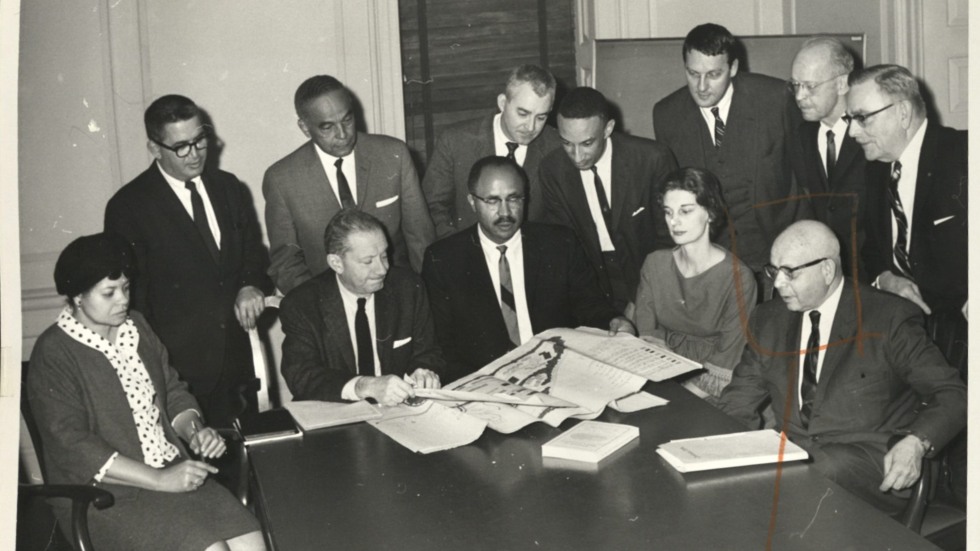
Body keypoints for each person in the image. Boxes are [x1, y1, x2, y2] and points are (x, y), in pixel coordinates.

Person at [27, 233, 265, 551]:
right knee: (211, 549)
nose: (123, 300)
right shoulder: (54, 352)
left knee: (251, 541)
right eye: (108, 293)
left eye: (125, 288)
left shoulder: (136, 327)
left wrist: (194, 430)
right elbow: (72, 446)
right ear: (77, 297)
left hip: (170, 472)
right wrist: (159, 481)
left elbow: (172, 390)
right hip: (102, 496)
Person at [718, 220, 966, 517]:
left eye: (790, 273)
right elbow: (737, 402)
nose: (778, 284)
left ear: (827, 270)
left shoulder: (887, 318)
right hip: (796, 459)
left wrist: (916, 442)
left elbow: (953, 394)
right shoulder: (769, 319)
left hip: (872, 463)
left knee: (806, 476)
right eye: (774, 271)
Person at [105, 94, 271, 428]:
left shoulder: (229, 188)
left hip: (239, 361)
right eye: (181, 147)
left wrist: (250, 284)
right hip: (180, 373)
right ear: (154, 148)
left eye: (200, 140)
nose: (195, 154)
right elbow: (134, 302)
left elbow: (253, 251)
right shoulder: (129, 207)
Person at [846, 64, 968, 505]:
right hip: (911, 330)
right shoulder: (879, 169)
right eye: (850, 120)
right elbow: (867, 253)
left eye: (862, 117)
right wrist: (887, 278)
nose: (854, 132)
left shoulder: (963, 155)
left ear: (901, 112)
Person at [422, 156, 633, 382]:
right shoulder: (444, 259)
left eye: (514, 199)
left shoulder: (559, 244)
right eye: (492, 201)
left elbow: (590, 305)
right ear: (472, 202)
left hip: (559, 374)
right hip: (487, 384)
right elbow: (442, 344)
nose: (505, 212)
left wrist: (613, 320)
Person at [263, 75, 435, 294]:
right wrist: (322, 310)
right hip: (325, 304)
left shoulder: (394, 154)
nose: (343, 135)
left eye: (347, 120)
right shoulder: (281, 179)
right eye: (327, 127)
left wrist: (423, 296)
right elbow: (286, 263)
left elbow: (420, 238)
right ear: (305, 128)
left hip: (397, 294)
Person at [653, 23, 796, 274]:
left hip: (776, 251)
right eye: (693, 73)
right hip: (711, 261)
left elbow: (803, 178)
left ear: (734, 68)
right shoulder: (666, 115)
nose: (701, 86)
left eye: (713, 74)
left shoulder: (775, 99)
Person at [279, 209, 444, 405]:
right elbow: (301, 376)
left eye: (384, 256)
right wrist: (363, 386)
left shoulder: (408, 287)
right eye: (368, 261)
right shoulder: (302, 304)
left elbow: (428, 353)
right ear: (336, 263)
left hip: (398, 413)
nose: (382, 269)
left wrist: (423, 372)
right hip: (335, 414)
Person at [539, 87, 676, 312]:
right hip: (593, 281)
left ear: (608, 129)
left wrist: (641, 297)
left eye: (586, 143)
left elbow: (669, 239)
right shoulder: (551, 170)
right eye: (566, 143)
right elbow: (564, 245)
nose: (576, 155)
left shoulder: (652, 160)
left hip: (650, 275)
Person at [633, 167, 756, 399]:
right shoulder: (654, 264)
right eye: (668, 212)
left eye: (685, 211)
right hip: (663, 372)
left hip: (716, 379)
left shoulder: (739, 278)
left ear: (709, 213)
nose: (674, 222)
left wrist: (676, 401)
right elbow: (648, 337)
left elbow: (726, 364)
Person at [422, 64, 562, 238]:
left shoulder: (556, 146)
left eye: (541, 117)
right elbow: (433, 206)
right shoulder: (455, 141)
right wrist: (458, 248)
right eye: (523, 113)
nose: (531, 126)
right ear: (503, 103)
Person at [787, 37, 868, 280]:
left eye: (810, 86)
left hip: (873, 276)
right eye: (795, 85)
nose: (799, 96)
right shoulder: (800, 135)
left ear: (842, 83)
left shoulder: (871, 131)